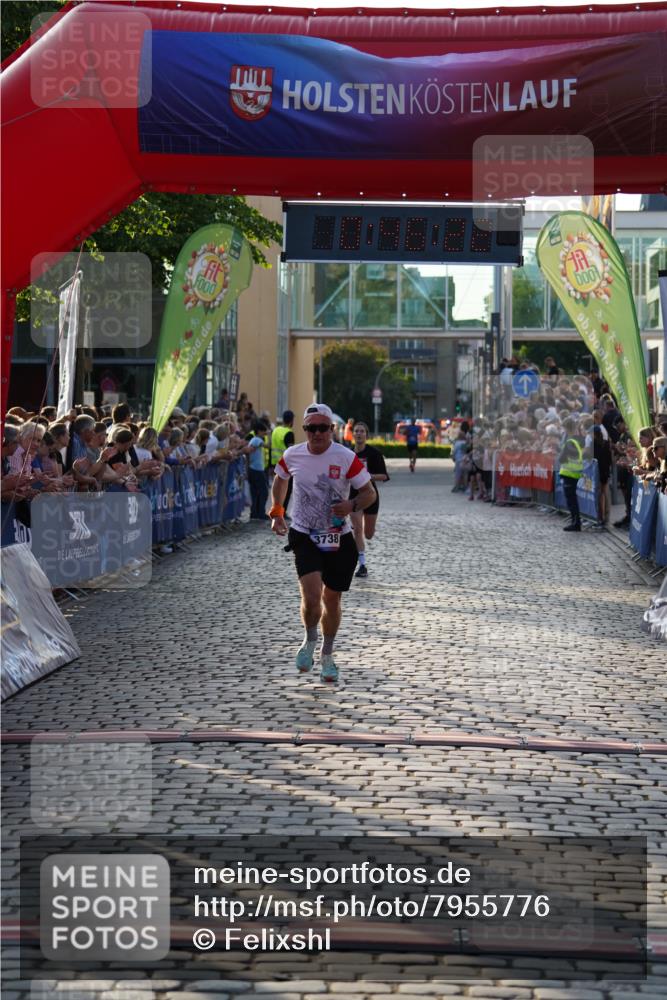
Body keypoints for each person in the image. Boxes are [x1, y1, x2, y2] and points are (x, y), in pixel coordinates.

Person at [270, 403, 376, 684]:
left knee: (332, 598)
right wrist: (277, 511)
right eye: (311, 428)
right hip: (304, 533)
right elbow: (280, 479)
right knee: (312, 595)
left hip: (338, 537)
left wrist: (351, 503)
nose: (317, 433)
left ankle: (327, 654)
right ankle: (309, 640)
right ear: (304, 430)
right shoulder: (293, 454)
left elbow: (369, 493)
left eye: (322, 428)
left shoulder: (345, 457)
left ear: (331, 429)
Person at [349, 422, 389, 578]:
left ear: (366, 435)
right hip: (354, 495)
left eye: (362, 431)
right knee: (357, 529)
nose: (359, 434)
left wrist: (368, 476)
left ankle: (364, 529)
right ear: (353, 434)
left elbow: (384, 476)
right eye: (356, 431)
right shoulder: (348, 455)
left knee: (369, 534)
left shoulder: (374, 453)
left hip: (371, 495)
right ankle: (362, 564)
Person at [558, 420, 584, 532]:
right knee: (572, 500)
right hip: (574, 473)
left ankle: (576, 522)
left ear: (567, 429)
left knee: (571, 501)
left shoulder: (570, 441)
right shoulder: (576, 440)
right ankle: (575, 521)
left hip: (569, 473)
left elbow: (562, 458)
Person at [245, 420, 270, 520]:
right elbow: (268, 446)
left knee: (255, 492)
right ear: (259, 431)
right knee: (263, 491)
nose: (265, 433)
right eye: (263, 431)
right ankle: (260, 513)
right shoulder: (256, 440)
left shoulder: (253, 440)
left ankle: (255, 512)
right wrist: (270, 435)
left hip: (253, 468)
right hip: (257, 469)